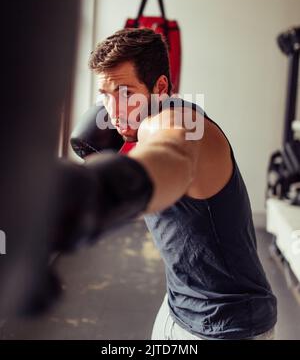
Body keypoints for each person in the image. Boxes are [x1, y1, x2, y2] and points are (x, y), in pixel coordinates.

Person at [88, 27, 277, 340]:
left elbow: (171, 154)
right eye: (104, 95)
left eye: (125, 93)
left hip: (230, 325)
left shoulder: (178, 125)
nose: (112, 111)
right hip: (179, 305)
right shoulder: (146, 119)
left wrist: (112, 190)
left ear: (160, 86)